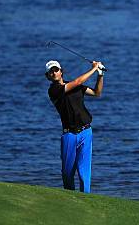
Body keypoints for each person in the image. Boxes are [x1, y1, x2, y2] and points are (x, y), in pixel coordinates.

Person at [46, 59, 104, 193]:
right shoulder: (53, 90)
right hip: (69, 135)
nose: (54, 73)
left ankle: (86, 200)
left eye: (56, 70)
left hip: (86, 132)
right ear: (48, 76)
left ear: (61, 72)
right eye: (51, 72)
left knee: (84, 174)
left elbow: (97, 93)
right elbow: (78, 82)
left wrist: (100, 75)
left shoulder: (75, 86)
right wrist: (94, 68)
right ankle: (70, 201)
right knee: (67, 173)